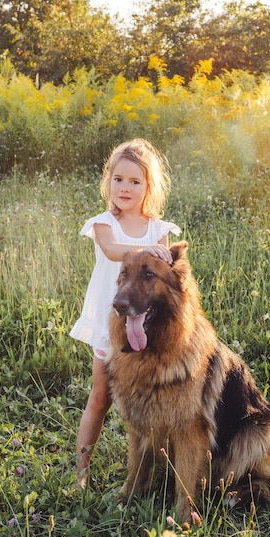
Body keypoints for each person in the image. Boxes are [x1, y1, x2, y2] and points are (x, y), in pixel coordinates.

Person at [70, 138, 181, 487]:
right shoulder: (104, 223)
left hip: (147, 324)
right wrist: (144, 248)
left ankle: (152, 472)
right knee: (101, 397)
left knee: (152, 401)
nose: (125, 187)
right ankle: (80, 473)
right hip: (111, 323)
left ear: (149, 186)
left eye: (135, 181)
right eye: (118, 179)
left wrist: (156, 250)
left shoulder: (158, 230)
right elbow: (113, 250)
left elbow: (165, 276)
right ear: (109, 181)